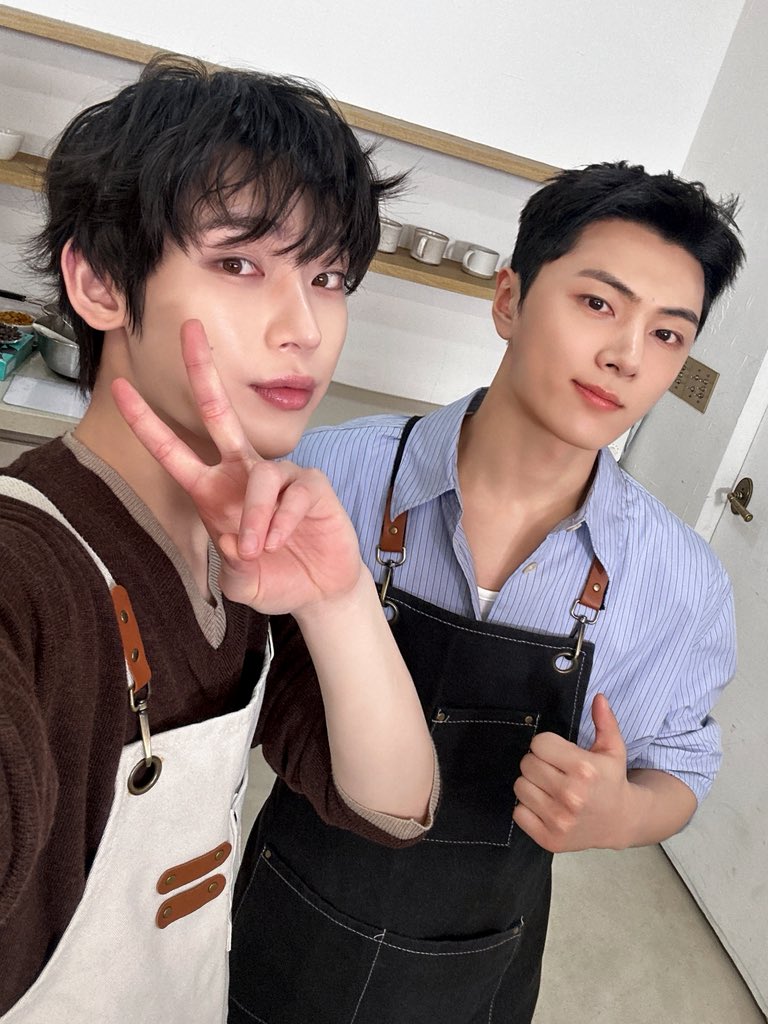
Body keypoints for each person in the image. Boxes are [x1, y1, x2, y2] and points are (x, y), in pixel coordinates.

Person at [229, 161, 745, 1024]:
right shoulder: (333, 478)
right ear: (508, 299)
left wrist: (622, 813)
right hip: (289, 908)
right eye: (598, 303)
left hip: (478, 960)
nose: (626, 356)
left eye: (667, 334)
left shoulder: (681, 585)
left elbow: (682, 766)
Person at [0, 56, 439, 1022]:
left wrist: (335, 598)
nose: (305, 327)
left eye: (328, 277)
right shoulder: (25, 562)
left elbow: (396, 806)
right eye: (240, 264)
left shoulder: (245, 547)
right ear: (98, 281)